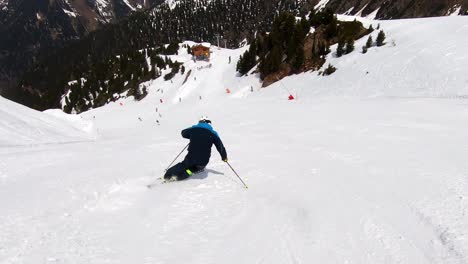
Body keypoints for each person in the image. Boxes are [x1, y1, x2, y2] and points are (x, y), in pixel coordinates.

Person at [164, 116, 228, 181]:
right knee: (193, 169)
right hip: (203, 161)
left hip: (191, 158)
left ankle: (168, 174)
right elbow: (220, 147)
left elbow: (183, 133)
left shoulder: (193, 129)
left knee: (183, 165)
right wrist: (224, 157)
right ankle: (181, 177)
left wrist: (193, 131)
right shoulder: (213, 133)